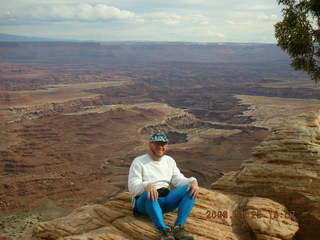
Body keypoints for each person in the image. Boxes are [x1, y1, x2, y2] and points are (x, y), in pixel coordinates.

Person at [128, 133, 199, 240]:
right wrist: (146, 185)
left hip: (165, 200)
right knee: (150, 193)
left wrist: (193, 181)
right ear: (150, 145)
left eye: (163, 144)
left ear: (167, 146)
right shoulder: (139, 162)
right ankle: (163, 231)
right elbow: (133, 187)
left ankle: (178, 228)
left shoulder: (169, 161)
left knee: (189, 189)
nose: (160, 147)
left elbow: (178, 180)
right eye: (157, 144)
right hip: (145, 202)